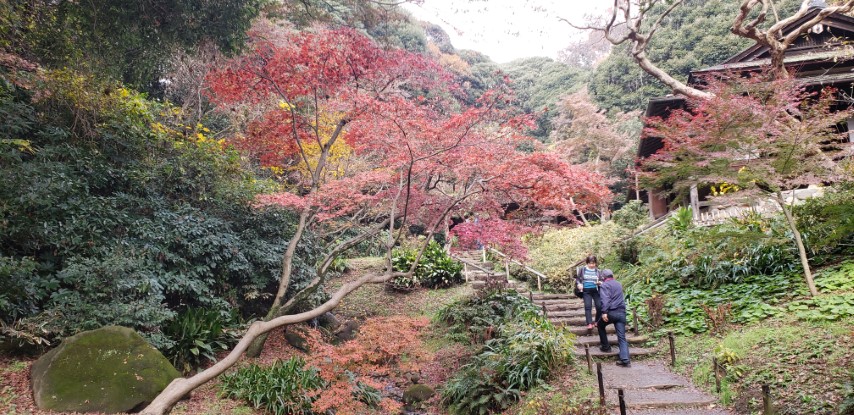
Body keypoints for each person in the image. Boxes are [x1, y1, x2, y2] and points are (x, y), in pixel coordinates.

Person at [597, 269, 631, 367]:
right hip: (621, 313)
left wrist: (604, 312)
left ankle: (606, 347)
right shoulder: (618, 284)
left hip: (611, 313)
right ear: (612, 276)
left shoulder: (604, 285)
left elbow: (605, 299)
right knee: (622, 337)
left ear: (603, 277)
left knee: (600, 325)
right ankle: (625, 359)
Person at [575, 255, 602, 330]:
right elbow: (578, 279)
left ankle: (597, 321)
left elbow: (601, 280)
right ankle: (589, 323)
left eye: (593, 263)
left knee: (599, 306)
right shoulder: (582, 270)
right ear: (587, 263)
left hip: (596, 290)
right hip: (586, 291)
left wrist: (599, 283)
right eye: (590, 263)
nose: (592, 265)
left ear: (595, 263)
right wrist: (579, 284)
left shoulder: (598, 271)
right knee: (588, 306)